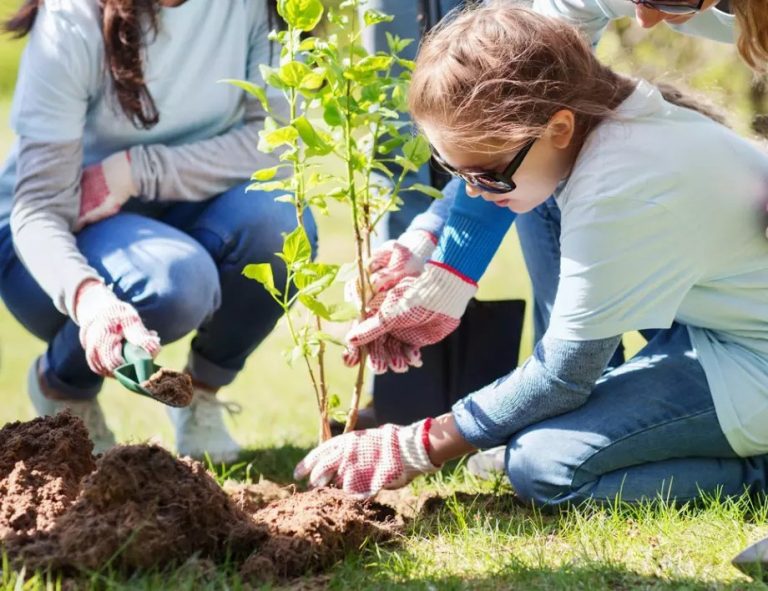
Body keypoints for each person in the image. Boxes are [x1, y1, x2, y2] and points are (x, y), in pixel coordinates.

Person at [294, 5, 768, 509]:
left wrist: (417, 445)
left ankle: (757, 476)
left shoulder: (619, 186)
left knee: (544, 467)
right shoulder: (596, 122)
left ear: (559, 128)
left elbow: (564, 374)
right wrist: (427, 242)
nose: (475, 195)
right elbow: (506, 172)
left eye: (487, 176)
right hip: (713, 334)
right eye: (457, 173)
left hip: (750, 358)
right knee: (533, 208)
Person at [0, 0, 316, 461]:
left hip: (183, 203)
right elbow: (39, 209)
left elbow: (271, 139)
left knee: (284, 229)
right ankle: (62, 385)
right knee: (175, 283)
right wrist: (90, 299)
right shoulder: (72, 17)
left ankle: (199, 396)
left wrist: (135, 171)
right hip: (57, 235)